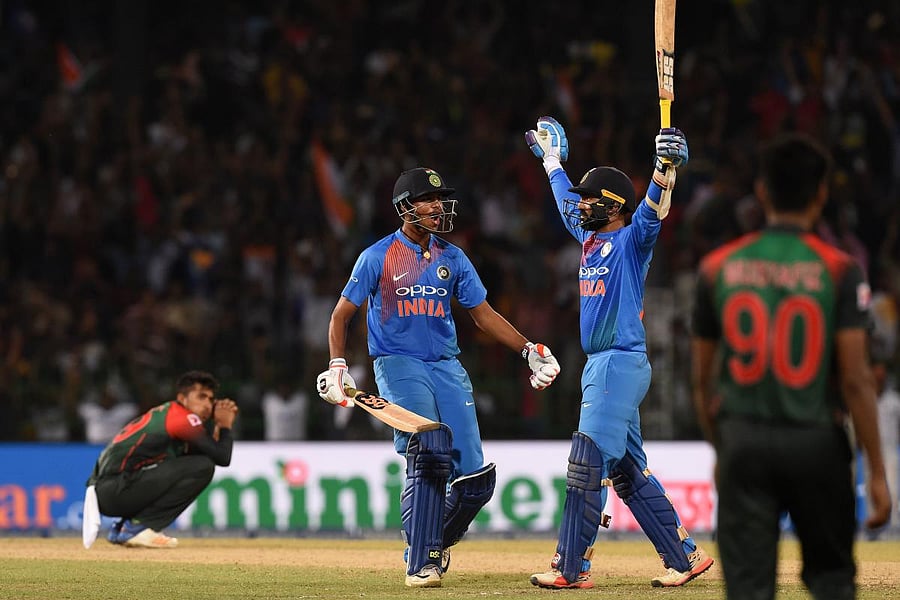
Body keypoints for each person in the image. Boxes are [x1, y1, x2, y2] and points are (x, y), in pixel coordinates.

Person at [316, 166, 561, 588]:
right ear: (404, 207)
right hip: (398, 363)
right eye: (428, 200)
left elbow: (483, 315)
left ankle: (427, 543)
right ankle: (422, 563)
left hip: (447, 366)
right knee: (428, 451)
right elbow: (341, 315)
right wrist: (337, 364)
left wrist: (528, 350)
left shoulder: (453, 257)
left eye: (439, 199)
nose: (437, 206)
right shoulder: (377, 256)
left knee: (476, 481)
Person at [691, 133, 891, 599]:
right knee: (831, 582)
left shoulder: (717, 268)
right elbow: (856, 380)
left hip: (744, 440)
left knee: (748, 589)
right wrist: (877, 473)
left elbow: (702, 381)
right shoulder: (840, 269)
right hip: (817, 441)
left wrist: (723, 448)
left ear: (762, 192)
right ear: (821, 194)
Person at [524, 116, 713, 590]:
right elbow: (565, 200)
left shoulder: (632, 241)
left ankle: (571, 567)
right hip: (605, 365)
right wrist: (552, 163)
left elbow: (653, 211)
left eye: (590, 200)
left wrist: (664, 169)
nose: (581, 206)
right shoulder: (589, 237)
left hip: (618, 361)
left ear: (613, 206)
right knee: (627, 472)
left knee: (586, 460)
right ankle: (684, 557)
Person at [84, 370, 238, 548]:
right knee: (204, 467)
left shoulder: (169, 413)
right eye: (201, 397)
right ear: (182, 398)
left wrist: (217, 427)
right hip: (114, 489)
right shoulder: (182, 418)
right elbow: (222, 457)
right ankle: (138, 527)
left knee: (197, 464)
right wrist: (225, 426)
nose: (207, 405)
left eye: (211, 400)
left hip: (108, 490)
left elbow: (199, 456)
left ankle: (123, 528)